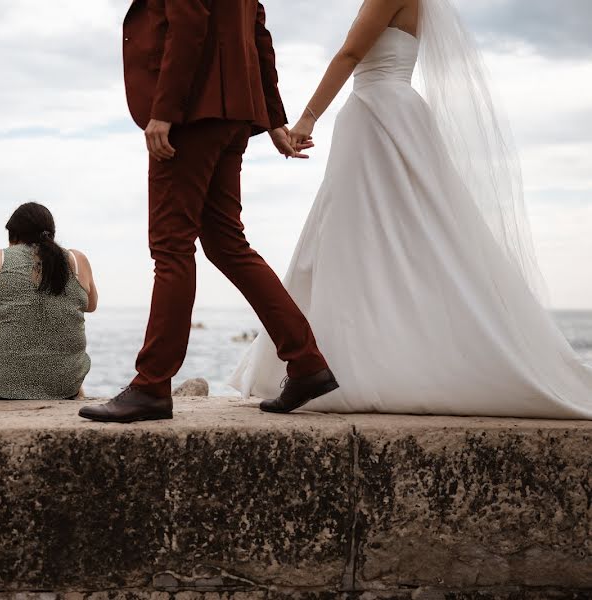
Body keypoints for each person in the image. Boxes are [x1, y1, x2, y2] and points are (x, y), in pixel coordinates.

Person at [231, 0, 592, 418]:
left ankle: (346, 364)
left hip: (376, 113)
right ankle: (345, 358)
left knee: (352, 235)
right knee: (382, 234)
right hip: (390, 112)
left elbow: (350, 54)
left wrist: (307, 119)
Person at [79, 1, 338, 424]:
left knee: (171, 246)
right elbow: (258, 35)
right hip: (235, 112)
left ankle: (151, 386)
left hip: (192, 112)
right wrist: (273, 119)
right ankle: (307, 363)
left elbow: (189, 21)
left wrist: (164, 112)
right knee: (226, 244)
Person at [0, 202, 97, 401]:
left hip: (4, 388)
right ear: (51, 234)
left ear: (13, 235)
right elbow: (91, 304)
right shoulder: (76, 260)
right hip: (66, 387)